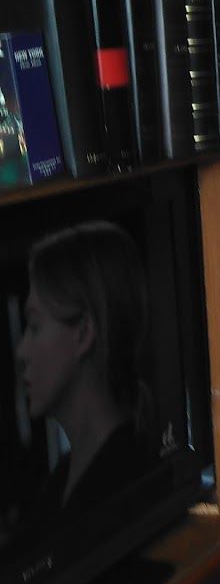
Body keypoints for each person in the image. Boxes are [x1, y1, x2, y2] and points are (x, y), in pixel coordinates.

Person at [16, 219, 152, 519]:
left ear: (83, 333)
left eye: (35, 326)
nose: (21, 351)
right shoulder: (59, 482)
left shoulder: (127, 486)